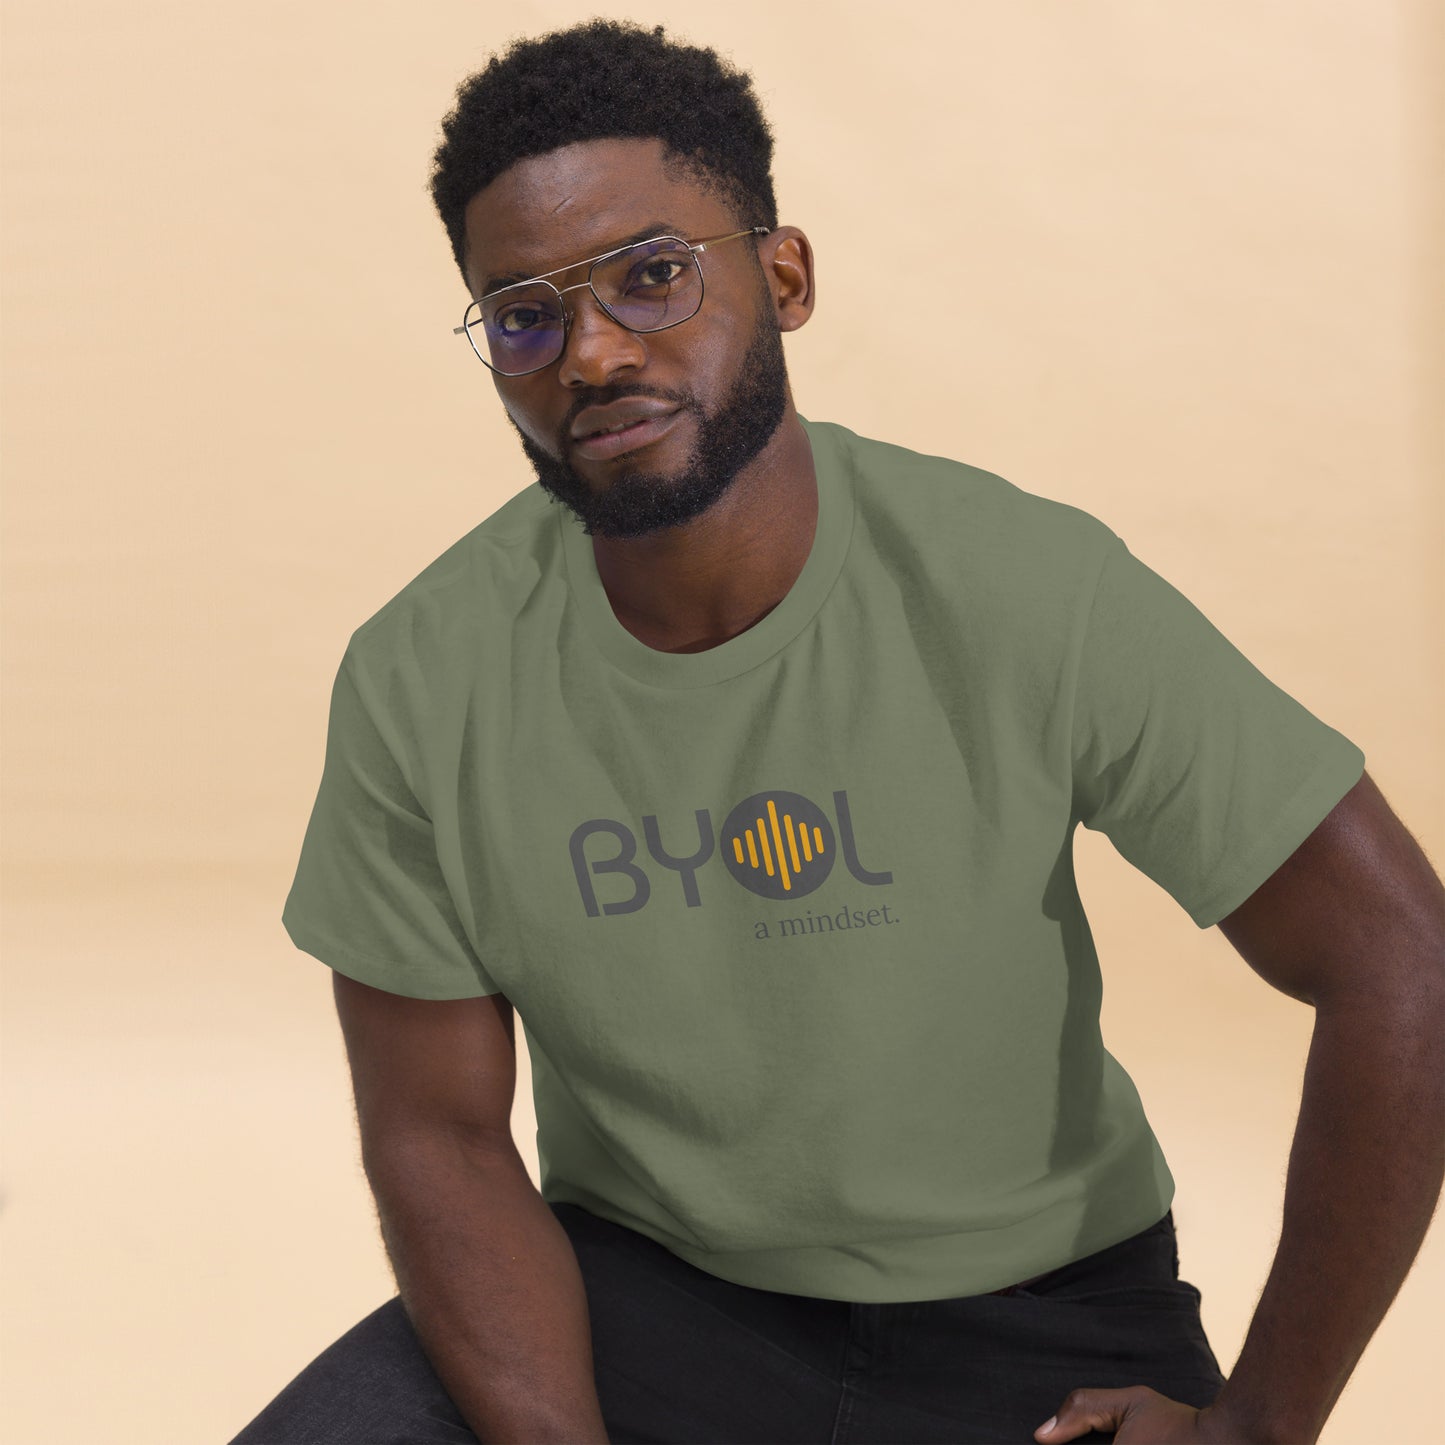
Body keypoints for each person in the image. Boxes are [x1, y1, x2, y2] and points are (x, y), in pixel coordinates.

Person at [230, 19, 1445, 1445]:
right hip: (645, 1301)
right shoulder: (420, 675)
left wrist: (1260, 1423)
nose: (594, 351)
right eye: (524, 316)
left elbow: (1398, 958)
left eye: (652, 274)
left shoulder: (1020, 585)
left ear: (783, 276)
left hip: (1035, 1325)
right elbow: (435, 1132)